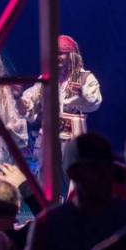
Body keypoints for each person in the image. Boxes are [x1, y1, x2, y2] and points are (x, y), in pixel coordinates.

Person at [20, 35, 102, 170]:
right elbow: (33, 94)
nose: (56, 57)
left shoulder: (84, 78)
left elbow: (94, 101)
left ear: (71, 55)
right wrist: (24, 102)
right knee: (42, 175)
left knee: (72, 174)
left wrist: (82, 95)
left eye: (61, 53)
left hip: (72, 137)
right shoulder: (47, 78)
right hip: (47, 136)